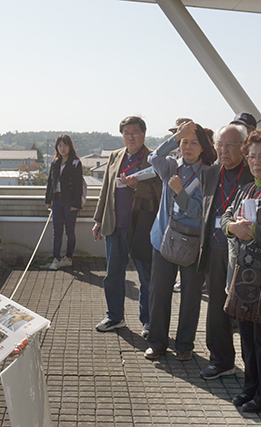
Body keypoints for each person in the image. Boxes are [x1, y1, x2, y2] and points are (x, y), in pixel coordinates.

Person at [221, 129, 261, 413]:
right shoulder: (247, 188)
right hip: (243, 276)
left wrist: (254, 231)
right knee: (246, 336)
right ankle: (250, 386)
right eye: (251, 156)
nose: (255, 162)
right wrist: (231, 227)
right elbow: (225, 215)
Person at [144, 119, 215, 361]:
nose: (188, 147)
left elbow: (199, 211)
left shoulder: (208, 173)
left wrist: (180, 194)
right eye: (184, 142)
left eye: (194, 142)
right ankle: (157, 342)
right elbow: (153, 158)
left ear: (203, 147)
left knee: (191, 295)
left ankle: (185, 344)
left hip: (193, 241)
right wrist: (175, 137)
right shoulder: (171, 166)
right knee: (159, 292)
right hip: (164, 238)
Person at [93, 116, 162, 336]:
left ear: (143, 134)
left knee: (146, 277)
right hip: (115, 225)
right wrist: (98, 219)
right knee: (113, 274)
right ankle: (115, 317)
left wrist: (135, 188)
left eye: (134, 132)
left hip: (141, 227)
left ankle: (148, 322)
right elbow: (105, 190)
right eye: (126, 133)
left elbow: (159, 193)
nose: (130, 137)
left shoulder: (154, 159)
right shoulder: (115, 156)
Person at [197, 123, 254, 379]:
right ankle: (221, 361)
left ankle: (254, 369)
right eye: (219, 145)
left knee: (245, 311)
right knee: (216, 308)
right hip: (215, 249)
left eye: (229, 145)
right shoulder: (210, 173)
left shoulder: (252, 174)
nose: (223, 150)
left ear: (243, 147)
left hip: (245, 254)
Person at [45, 135, 83, 270]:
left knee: (70, 231)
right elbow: (50, 181)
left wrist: (76, 204)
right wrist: (48, 200)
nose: (62, 148)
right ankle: (55, 258)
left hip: (70, 201)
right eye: (60, 146)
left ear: (70, 147)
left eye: (65, 145)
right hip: (56, 199)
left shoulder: (75, 163)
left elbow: (79, 185)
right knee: (57, 231)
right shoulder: (55, 162)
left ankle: (68, 257)